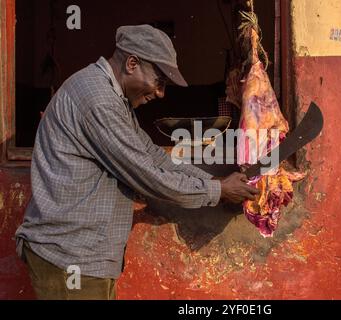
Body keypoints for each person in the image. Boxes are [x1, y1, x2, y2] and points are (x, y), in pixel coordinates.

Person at [15, 25, 260, 300]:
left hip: (84, 257)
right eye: (160, 81)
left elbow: (153, 156)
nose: (161, 94)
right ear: (132, 63)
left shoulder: (113, 98)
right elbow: (146, 174)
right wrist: (219, 192)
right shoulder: (98, 101)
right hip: (70, 258)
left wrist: (213, 182)